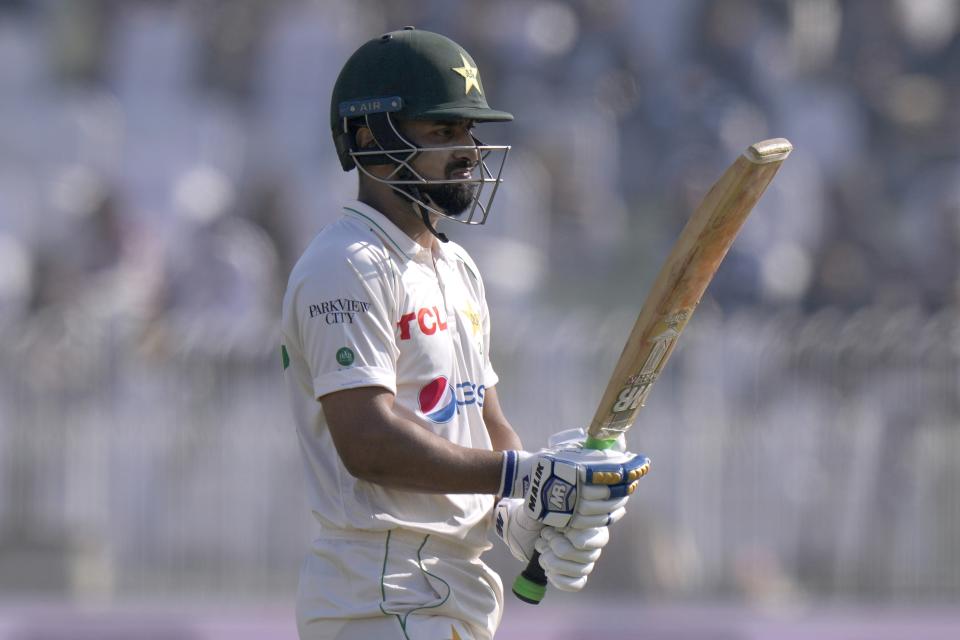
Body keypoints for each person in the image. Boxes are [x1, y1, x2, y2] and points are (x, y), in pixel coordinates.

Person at [280, 27, 650, 640]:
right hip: (381, 588)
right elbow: (367, 441)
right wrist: (519, 475)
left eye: (470, 132)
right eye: (444, 131)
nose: (470, 149)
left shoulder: (455, 267)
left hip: (450, 589)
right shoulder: (344, 263)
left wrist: (518, 511)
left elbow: (485, 418)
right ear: (371, 136)